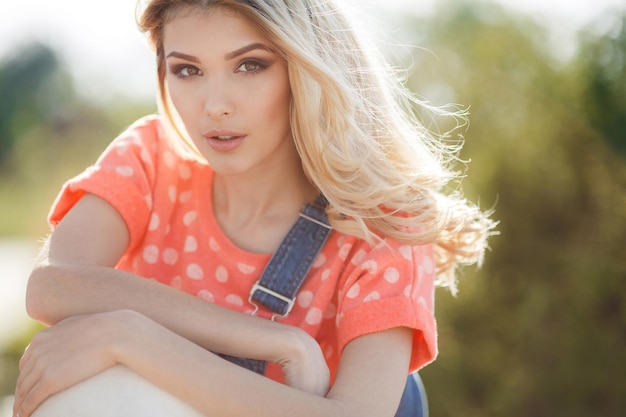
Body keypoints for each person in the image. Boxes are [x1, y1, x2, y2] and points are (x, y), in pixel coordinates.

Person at [13, 1, 496, 416]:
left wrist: (131, 336)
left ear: (305, 69)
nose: (215, 105)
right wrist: (279, 342)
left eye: (250, 65)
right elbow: (52, 285)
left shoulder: (382, 221)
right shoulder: (151, 159)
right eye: (188, 70)